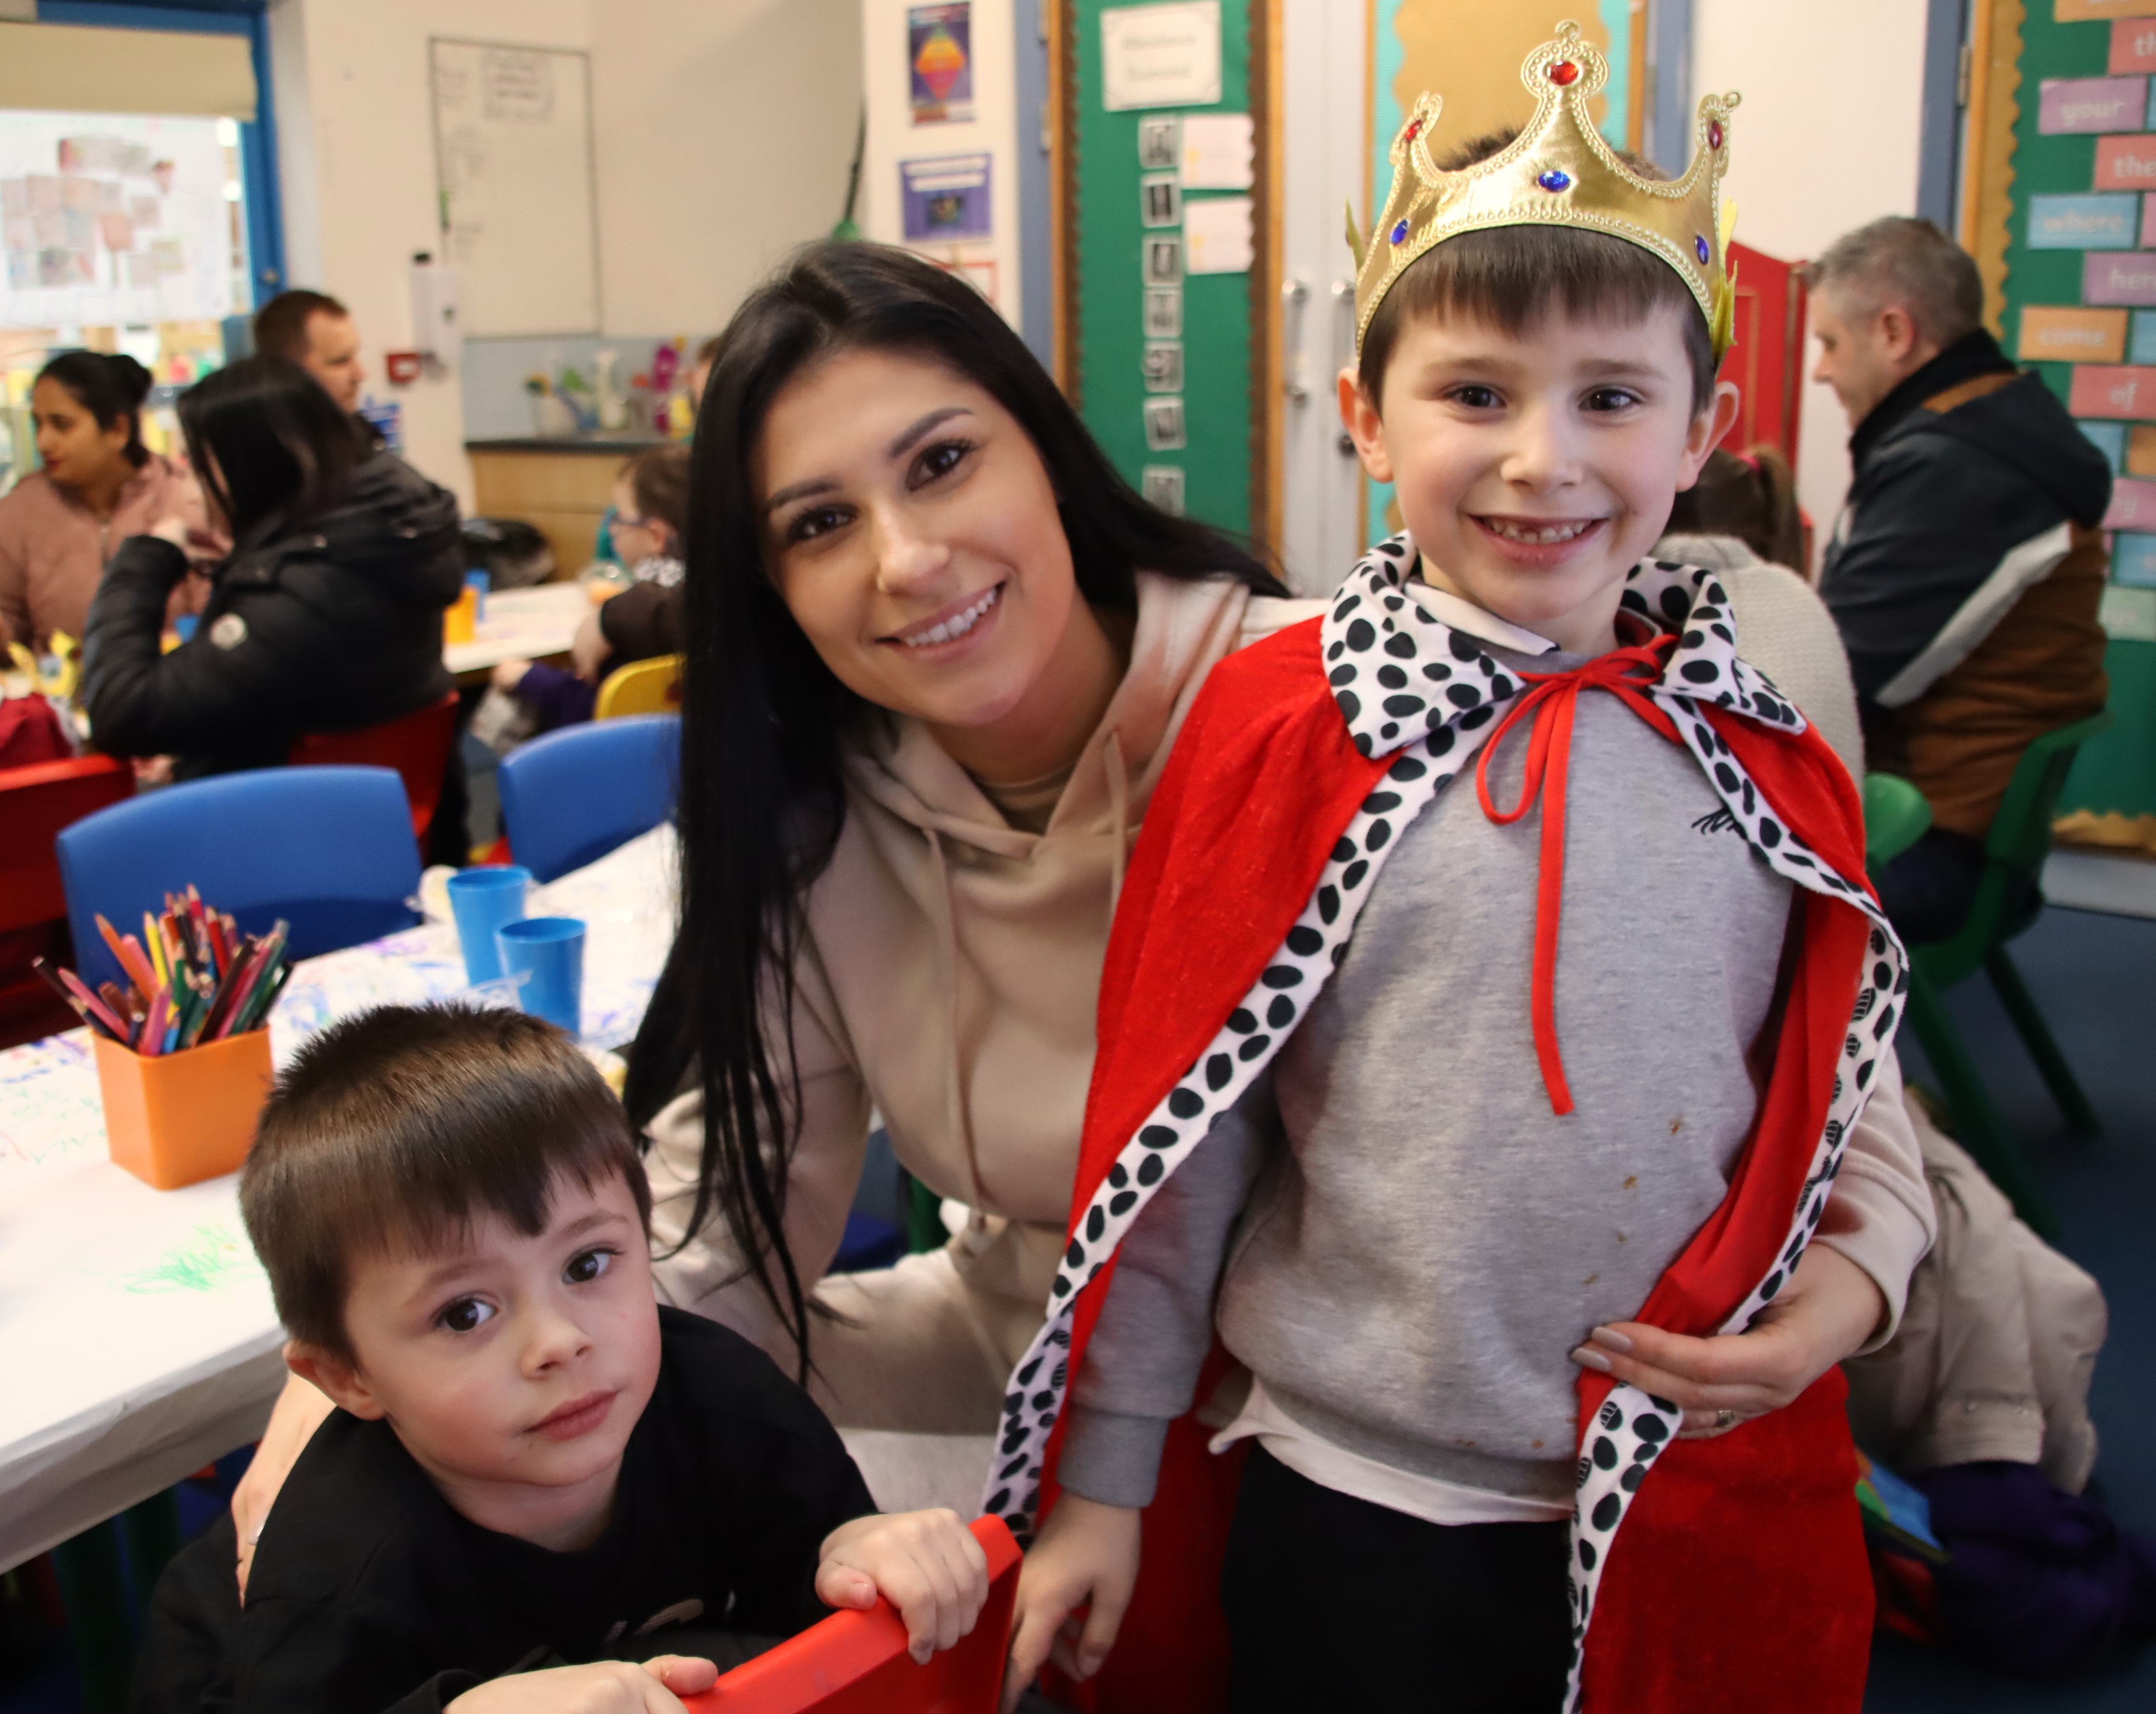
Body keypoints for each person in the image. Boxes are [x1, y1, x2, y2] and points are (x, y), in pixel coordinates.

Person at [229, 237, 1929, 1612]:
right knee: (573, 1479)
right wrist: (415, 1365)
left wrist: (1864, 1264)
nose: (907, 559)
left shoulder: (1332, 700)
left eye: (943, 462)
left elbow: (1747, 1017)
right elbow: (730, 1232)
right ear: (766, 583)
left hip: (1356, 1400)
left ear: (1045, 449)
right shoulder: (812, 819)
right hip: (1044, 1348)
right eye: (819, 524)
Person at [1002, 38, 1932, 1714]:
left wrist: (1851, 1292)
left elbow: (1842, 1073)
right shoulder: (1289, 729)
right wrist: (1106, 1474)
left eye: (1610, 398)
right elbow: (1178, 1136)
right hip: (1361, 1489)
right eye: (1477, 394)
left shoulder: (1755, 733)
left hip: (1692, 1468)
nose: (1542, 458)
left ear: (1704, 430)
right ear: (1367, 417)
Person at [136, 1004, 988, 1714]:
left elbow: (808, 1599)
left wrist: (856, 1551)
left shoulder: (728, 1402)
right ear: (347, 1378)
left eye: (587, 1264)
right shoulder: (330, 1582)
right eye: (465, 1312)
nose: (559, 1341)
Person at [1807, 217, 2111, 945]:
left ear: (1893, 332)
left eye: (1830, 343)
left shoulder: (1957, 465)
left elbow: (1835, 677)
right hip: (1970, 833)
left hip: (1931, 844)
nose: (1820, 371)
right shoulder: (1990, 429)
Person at [77, 355, 464, 791]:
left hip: (286, 823)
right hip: (383, 814)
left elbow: (123, 711)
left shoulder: (299, 598)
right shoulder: (384, 541)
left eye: (201, 466)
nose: (197, 488)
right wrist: (253, 562)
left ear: (248, 467)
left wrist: (147, 558)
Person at [0, 350, 207, 654]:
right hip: (59, 683)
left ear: (117, 430)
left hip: (171, 679)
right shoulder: (21, 510)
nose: (43, 441)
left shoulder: (187, 500)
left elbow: (215, 617)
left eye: (61, 425)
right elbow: (8, 618)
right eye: (37, 424)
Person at [504, 444, 690, 730]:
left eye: (620, 519)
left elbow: (593, 705)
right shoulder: (698, 594)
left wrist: (530, 679)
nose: (612, 529)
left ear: (655, 536)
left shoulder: (637, 624)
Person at [253, 288, 367, 414]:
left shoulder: (357, 424)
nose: (360, 374)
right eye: (340, 361)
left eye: (353, 356)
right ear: (287, 371)